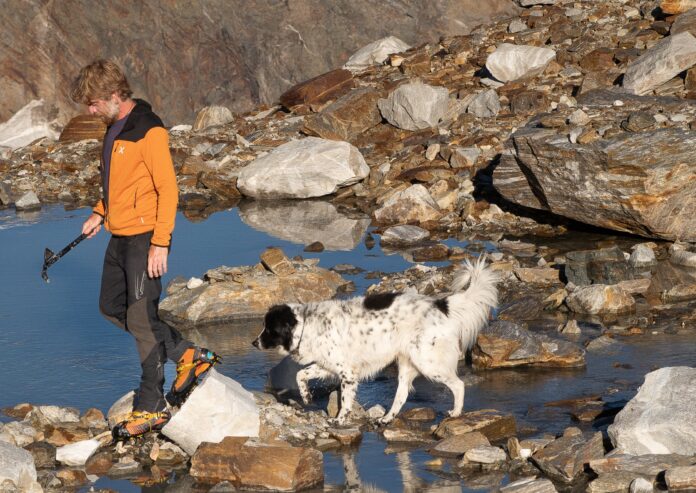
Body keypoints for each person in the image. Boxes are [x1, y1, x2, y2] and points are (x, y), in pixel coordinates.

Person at [70, 59, 220, 440]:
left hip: (144, 238)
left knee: (141, 319)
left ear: (113, 95)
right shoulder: (114, 128)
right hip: (118, 236)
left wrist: (160, 244)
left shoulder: (148, 131)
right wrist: (99, 212)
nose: (89, 111)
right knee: (111, 308)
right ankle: (189, 353)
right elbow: (119, 183)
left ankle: (151, 407)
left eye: (92, 103)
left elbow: (167, 190)